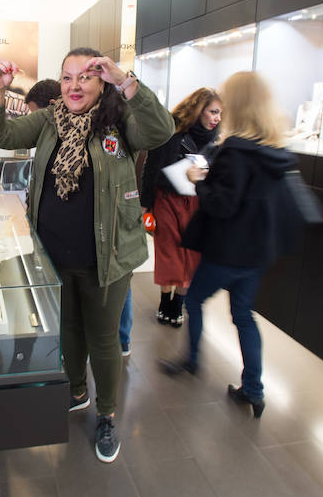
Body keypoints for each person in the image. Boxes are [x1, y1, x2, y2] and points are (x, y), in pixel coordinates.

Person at [0, 49, 173, 462]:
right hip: (54, 252)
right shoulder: (49, 120)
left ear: (102, 81)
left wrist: (128, 81)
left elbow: (160, 131)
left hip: (108, 254)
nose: (73, 86)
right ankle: (76, 390)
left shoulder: (120, 123)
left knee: (102, 338)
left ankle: (106, 414)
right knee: (68, 330)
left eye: (85, 77)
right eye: (67, 77)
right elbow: (0, 136)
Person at [162, 72, 303, 419]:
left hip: (226, 251)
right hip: (257, 254)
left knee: (193, 301)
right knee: (243, 315)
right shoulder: (275, 152)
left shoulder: (234, 152)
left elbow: (222, 205)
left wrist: (200, 180)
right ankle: (254, 390)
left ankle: (192, 361)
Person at [24, 78, 137, 359]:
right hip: (73, 243)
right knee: (79, 317)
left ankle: (118, 341)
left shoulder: (110, 128)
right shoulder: (58, 131)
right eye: (68, 79)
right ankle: (95, 359)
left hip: (106, 237)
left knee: (107, 307)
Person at [140, 88, 221, 327]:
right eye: (213, 112)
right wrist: (146, 204)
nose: (217, 118)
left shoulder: (216, 140)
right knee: (169, 252)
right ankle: (166, 301)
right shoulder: (171, 132)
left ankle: (179, 304)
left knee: (192, 255)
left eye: (219, 113)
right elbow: (151, 168)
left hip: (198, 202)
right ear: (199, 110)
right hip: (167, 199)